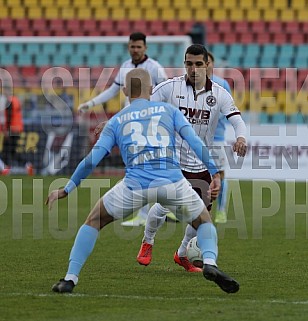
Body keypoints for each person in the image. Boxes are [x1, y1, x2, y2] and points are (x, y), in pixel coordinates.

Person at [47, 68, 240, 294]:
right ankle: (209, 263)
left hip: (135, 186)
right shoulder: (169, 111)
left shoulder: (117, 120)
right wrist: (215, 173)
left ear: (126, 91)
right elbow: (196, 143)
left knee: (93, 221)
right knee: (205, 222)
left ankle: (70, 278)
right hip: (173, 183)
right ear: (150, 89)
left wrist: (67, 188)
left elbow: (91, 160)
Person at [136, 44, 247, 272]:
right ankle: (148, 241)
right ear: (184, 64)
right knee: (164, 202)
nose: (193, 69)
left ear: (207, 65)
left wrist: (241, 138)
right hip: (173, 159)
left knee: (201, 213)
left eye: (198, 64)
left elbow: (236, 119)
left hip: (202, 162)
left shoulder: (219, 93)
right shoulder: (170, 87)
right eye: (189, 64)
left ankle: (182, 253)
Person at [78, 31, 176, 227]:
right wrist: (91, 103)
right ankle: (160, 209)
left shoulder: (154, 68)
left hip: (151, 122)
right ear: (128, 47)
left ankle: (163, 208)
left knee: (151, 164)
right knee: (140, 164)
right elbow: (112, 91)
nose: (136, 50)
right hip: (130, 123)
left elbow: (168, 91)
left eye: (139, 46)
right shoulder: (125, 67)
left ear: (145, 47)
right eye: (133, 46)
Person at [207, 52, 232, 224]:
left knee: (220, 174)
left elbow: (228, 108)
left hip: (216, 137)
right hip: (196, 138)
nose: (205, 65)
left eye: (207, 62)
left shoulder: (221, 84)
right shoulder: (190, 84)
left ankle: (221, 210)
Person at [0, 85, 33, 175]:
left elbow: (9, 116)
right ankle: (27, 165)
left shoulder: (9, 101)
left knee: (7, 150)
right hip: (18, 128)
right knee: (13, 150)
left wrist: (6, 129)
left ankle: (6, 168)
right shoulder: (16, 100)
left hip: (12, 129)